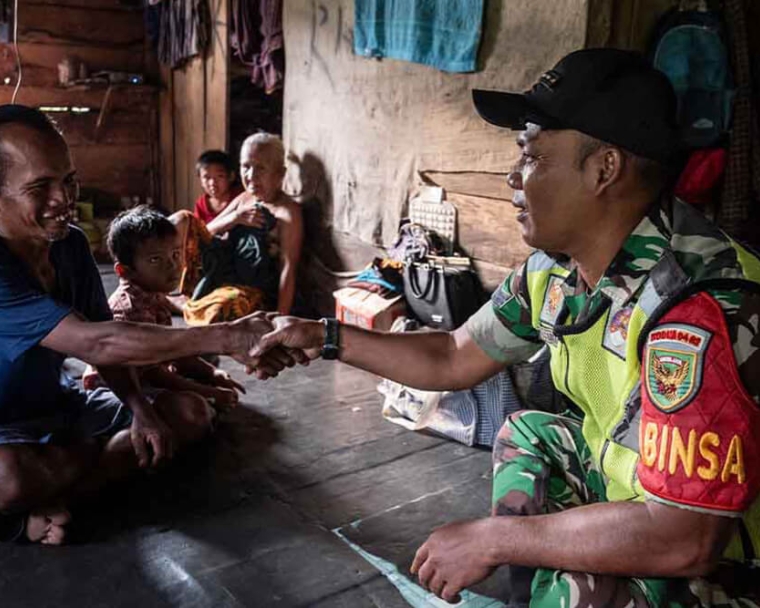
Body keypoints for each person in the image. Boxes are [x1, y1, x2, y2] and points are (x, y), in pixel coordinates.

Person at [250, 49, 760, 606]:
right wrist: (322, 336)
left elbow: (687, 537)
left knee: (577, 590)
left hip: (724, 563)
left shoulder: (696, 306)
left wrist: (496, 539)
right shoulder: (559, 270)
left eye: (533, 155)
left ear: (604, 169)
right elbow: (452, 355)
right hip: (636, 491)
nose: (513, 176)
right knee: (527, 434)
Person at [0, 104, 294, 545]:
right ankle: (38, 497)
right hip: (6, 433)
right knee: (8, 476)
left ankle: (52, 501)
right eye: (40, 187)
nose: (63, 199)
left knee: (188, 413)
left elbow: (108, 342)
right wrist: (228, 335)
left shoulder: (69, 245)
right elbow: (97, 343)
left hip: (58, 411)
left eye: (68, 180)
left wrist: (141, 412)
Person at [83, 206, 246, 413]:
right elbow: (153, 375)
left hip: (152, 370)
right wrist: (207, 391)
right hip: (116, 391)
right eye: (155, 259)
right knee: (193, 412)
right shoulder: (130, 310)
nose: (173, 265)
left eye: (176, 254)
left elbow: (174, 349)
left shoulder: (152, 291)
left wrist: (213, 374)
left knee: (207, 358)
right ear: (125, 270)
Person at [173, 133, 304, 323]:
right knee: (183, 220)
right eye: (246, 166)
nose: (250, 176)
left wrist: (280, 319)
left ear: (280, 174)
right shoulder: (245, 199)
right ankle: (185, 301)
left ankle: (183, 305)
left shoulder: (288, 213)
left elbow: (288, 270)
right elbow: (204, 232)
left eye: (260, 168)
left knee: (221, 309)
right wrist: (235, 218)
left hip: (255, 290)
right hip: (224, 273)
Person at [192, 149, 244, 225]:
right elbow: (198, 232)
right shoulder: (200, 205)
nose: (212, 183)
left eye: (220, 176)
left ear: (231, 176)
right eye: (206, 177)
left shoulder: (240, 197)